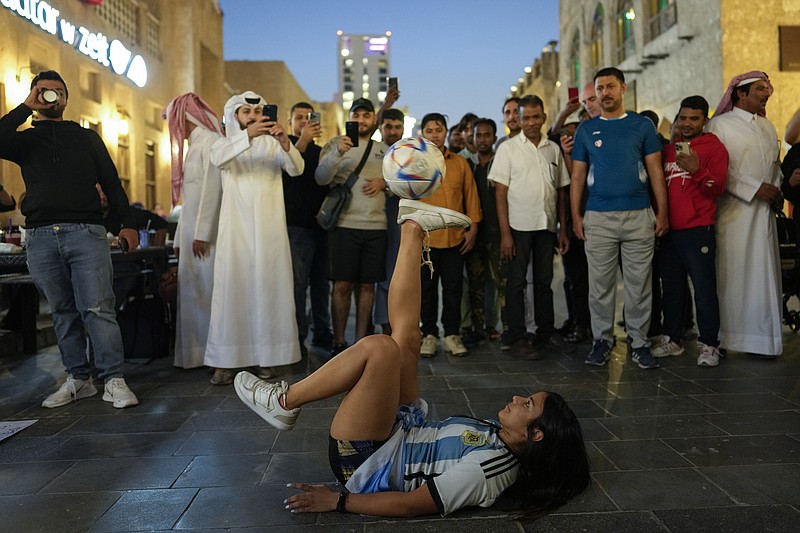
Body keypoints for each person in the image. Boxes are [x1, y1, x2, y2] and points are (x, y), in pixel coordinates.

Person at [233, 199, 590, 517]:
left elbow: (414, 503)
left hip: (366, 459)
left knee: (381, 348)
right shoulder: (503, 440)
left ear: (536, 435)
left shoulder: (489, 471)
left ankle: (283, 401)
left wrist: (338, 501)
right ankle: (413, 229)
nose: (516, 398)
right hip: (403, 431)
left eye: (527, 403)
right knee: (406, 339)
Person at [0, 70, 139, 408]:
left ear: (66, 98)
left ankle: (113, 379)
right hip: (40, 236)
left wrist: (128, 223)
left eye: (58, 91)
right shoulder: (25, 140)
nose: (52, 96)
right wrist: (25, 106)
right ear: (35, 95)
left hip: (86, 232)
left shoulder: (87, 137)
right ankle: (79, 378)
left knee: (98, 307)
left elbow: (112, 181)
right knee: (62, 311)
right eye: (44, 92)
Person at [570, 67, 669, 370]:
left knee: (640, 284)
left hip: (639, 215)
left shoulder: (642, 126)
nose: (605, 93)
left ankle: (639, 342)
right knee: (600, 285)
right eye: (600, 89)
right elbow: (577, 176)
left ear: (623, 88)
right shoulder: (586, 130)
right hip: (598, 217)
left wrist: (662, 212)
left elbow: (655, 171)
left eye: (610, 87)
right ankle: (602, 340)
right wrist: (576, 215)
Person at [205, 91, 304, 385]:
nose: (253, 115)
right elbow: (219, 160)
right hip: (235, 234)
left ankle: (268, 359)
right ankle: (226, 361)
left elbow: (296, 169)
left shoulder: (272, 144)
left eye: (257, 110)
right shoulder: (223, 143)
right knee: (233, 294)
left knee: (268, 292)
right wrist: (246, 136)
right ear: (234, 115)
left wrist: (286, 144)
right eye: (245, 111)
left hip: (270, 232)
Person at [707, 71, 783, 358]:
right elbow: (717, 170)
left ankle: (766, 341)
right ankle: (734, 338)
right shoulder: (719, 125)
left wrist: (775, 191)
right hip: (734, 214)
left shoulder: (767, 126)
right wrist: (754, 188)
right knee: (736, 276)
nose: (767, 93)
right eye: (761, 89)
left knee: (765, 275)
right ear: (740, 93)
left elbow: (774, 165)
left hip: (765, 213)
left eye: (768, 88)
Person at [490, 95, 570, 357]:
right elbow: (500, 193)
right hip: (517, 227)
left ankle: (545, 332)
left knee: (544, 281)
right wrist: (505, 235)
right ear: (519, 120)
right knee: (516, 283)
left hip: (546, 226)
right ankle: (517, 335)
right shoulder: (508, 149)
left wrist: (563, 229)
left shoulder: (552, 149)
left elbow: (560, 192)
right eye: (526, 118)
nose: (531, 122)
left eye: (536, 117)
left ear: (544, 118)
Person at [652, 96, 728, 367]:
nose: (687, 123)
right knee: (671, 289)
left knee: (704, 290)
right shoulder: (668, 151)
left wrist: (697, 170)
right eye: (682, 118)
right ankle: (673, 339)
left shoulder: (714, 147)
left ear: (705, 121)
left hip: (698, 230)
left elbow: (717, 187)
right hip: (669, 232)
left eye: (694, 119)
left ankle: (709, 344)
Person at [316, 98, 387, 357]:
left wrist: (384, 182)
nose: (361, 120)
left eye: (366, 115)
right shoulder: (336, 144)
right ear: (350, 118)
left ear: (373, 120)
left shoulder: (384, 149)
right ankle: (338, 341)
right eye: (356, 115)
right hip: (344, 225)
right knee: (342, 285)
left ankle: (360, 343)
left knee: (368, 286)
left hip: (376, 226)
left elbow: (400, 180)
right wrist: (338, 153)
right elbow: (321, 178)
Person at [162, 93, 224, 369]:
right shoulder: (196, 145)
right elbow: (189, 200)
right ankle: (194, 355)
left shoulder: (210, 142)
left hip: (203, 237)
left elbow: (213, 190)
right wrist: (179, 237)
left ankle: (210, 354)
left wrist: (202, 232)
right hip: (191, 235)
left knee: (206, 293)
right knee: (193, 294)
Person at [418, 113, 482, 357]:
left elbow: (470, 195)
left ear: (446, 132)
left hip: (455, 238)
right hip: (426, 241)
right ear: (422, 133)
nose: (435, 134)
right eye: (429, 130)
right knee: (427, 291)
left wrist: (473, 227)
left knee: (454, 289)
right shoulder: (416, 162)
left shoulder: (459, 162)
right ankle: (430, 335)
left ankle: (452, 334)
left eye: (439, 129)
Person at [283, 102, 332, 356]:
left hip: (322, 227)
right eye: (299, 117)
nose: (304, 121)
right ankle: (298, 338)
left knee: (322, 285)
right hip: (296, 228)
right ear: (290, 121)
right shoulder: (286, 147)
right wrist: (301, 140)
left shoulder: (322, 152)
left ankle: (322, 333)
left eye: (309, 118)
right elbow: (291, 169)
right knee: (298, 285)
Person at [461, 118, 505, 346]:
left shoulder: (502, 163)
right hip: (474, 235)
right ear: (473, 138)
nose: (482, 140)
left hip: (499, 234)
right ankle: (477, 329)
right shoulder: (467, 165)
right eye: (479, 135)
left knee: (500, 283)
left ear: (494, 138)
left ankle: (495, 326)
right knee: (475, 285)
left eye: (487, 135)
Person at [373, 107, 406, 335]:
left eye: (397, 127)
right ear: (381, 128)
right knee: (378, 272)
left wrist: (385, 184)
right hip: (373, 218)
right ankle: (380, 321)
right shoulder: (373, 151)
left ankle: (396, 323)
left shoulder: (408, 152)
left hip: (398, 215)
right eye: (388, 127)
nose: (393, 132)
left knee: (395, 268)